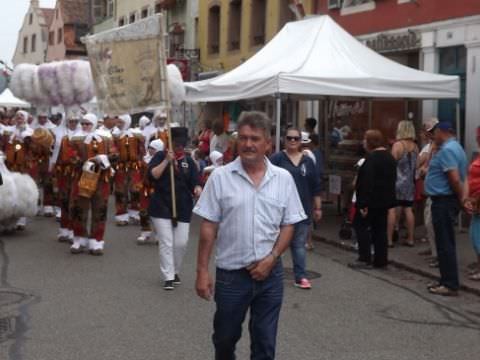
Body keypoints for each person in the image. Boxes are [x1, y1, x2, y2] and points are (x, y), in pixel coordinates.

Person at [194, 111, 306, 360]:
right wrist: (202, 271)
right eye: (243, 138)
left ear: (268, 143)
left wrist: (273, 257)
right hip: (231, 277)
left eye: (255, 138)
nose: (248, 144)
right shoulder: (220, 178)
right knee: (224, 338)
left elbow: (290, 224)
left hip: (271, 276)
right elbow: (208, 226)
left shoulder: (283, 179)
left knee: (265, 343)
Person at [148, 127, 202, 290]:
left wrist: (198, 188)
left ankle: (175, 270)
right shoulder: (159, 156)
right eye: (175, 144)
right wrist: (166, 161)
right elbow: (153, 176)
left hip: (183, 206)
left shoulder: (189, 161)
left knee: (181, 243)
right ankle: (168, 276)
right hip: (161, 205)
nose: (178, 148)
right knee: (166, 241)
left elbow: (196, 182)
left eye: (181, 145)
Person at [270, 128, 322, 289]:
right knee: (275, 243)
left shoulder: (308, 161)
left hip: (302, 210)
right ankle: (270, 273)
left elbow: (315, 186)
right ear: (284, 140)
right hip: (279, 209)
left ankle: (301, 277)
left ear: (301, 141)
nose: (293, 141)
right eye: (289, 138)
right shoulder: (277, 159)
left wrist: (318, 207)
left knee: (299, 245)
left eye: (296, 138)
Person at [425, 121, 467, 296]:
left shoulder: (448, 150)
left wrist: (462, 199)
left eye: (434, 132)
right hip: (445, 200)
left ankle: (449, 283)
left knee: (444, 243)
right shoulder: (455, 147)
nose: (433, 136)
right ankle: (445, 279)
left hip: (444, 201)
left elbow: (455, 178)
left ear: (442, 131)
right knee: (444, 241)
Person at [349, 129, 397, 269]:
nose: (363, 142)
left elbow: (367, 182)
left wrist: (363, 203)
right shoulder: (389, 158)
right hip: (384, 201)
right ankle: (381, 260)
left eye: (365, 139)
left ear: (370, 142)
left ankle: (364, 258)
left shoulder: (371, 159)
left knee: (361, 227)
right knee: (380, 230)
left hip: (370, 201)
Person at [69, 113, 116, 255]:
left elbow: (115, 155)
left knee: (100, 210)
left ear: (94, 124)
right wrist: (82, 162)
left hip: (101, 180)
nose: (85, 126)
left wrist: (103, 158)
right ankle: (79, 239)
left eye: (88, 124)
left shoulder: (106, 138)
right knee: (79, 209)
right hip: (82, 178)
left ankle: (96, 241)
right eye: (83, 123)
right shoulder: (75, 138)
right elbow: (71, 156)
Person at [388, 120, 419, 247]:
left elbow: (391, 164)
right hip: (410, 183)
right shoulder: (415, 147)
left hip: (397, 182)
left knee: (392, 210)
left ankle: (389, 240)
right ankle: (410, 238)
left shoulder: (398, 145)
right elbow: (416, 166)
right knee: (408, 209)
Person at [112, 114, 145, 226]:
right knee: (120, 192)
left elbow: (142, 151)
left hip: (134, 167)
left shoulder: (136, 135)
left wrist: (141, 163)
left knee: (135, 190)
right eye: (118, 122)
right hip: (120, 167)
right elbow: (112, 150)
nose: (118, 124)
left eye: (121, 122)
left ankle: (135, 214)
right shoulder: (115, 135)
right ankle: (121, 216)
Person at [416, 118, 439, 267]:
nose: (426, 133)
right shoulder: (430, 145)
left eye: (429, 131)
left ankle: (437, 255)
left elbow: (424, 164)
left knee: (432, 223)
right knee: (428, 221)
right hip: (431, 189)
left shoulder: (437, 147)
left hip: (437, 191)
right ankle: (434, 251)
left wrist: (424, 168)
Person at [137, 138, 164, 244]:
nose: (150, 150)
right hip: (145, 189)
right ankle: (145, 232)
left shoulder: (162, 162)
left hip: (157, 189)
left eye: (153, 148)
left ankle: (159, 235)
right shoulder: (145, 159)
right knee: (143, 211)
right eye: (150, 148)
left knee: (158, 212)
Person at [462, 126, 480, 281]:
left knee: (477, 237)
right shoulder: (478, 157)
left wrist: (474, 201)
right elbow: (468, 178)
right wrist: (466, 198)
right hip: (474, 204)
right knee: (475, 237)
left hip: (478, 204)